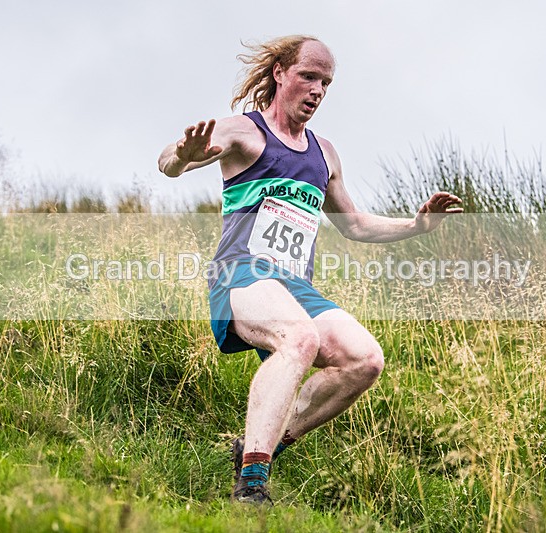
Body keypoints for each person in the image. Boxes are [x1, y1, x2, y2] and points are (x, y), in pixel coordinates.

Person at [158, 35, 462, 505]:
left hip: (295, 287)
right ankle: (251, 489)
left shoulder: (326, 155)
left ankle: (258, 448)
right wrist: (183, 157)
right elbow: (166, 162)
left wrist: (417, 226)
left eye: (326, 82)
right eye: (308, 76)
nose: (318, 90)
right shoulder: (244, 132)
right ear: (280, 73)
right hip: (240, 275)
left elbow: (356, 225)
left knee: (364, 360)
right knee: (300, 339)